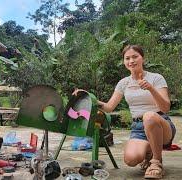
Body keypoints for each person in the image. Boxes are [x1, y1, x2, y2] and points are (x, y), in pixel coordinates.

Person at [73, 45, 176, 179]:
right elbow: (109, 107)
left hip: (161, 125)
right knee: (130, 159)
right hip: (138, 129)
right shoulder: (123, 83)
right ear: (124, 62)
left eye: (135, 57)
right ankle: (149, 153)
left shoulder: (156, 78)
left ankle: (157, 162)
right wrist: (87, 97)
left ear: (142, 58)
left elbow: (166, 108)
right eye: (127, 58)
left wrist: (151, 89)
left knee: (149, 116)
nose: (131, 61)